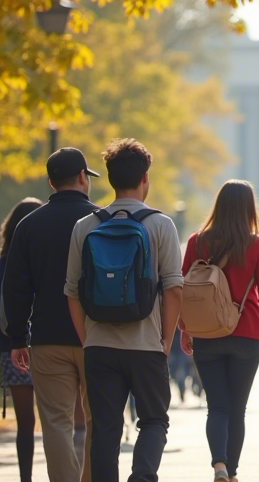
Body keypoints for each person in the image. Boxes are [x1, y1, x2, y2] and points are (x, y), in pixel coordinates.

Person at [65, 139, 184, 482]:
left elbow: (71, 292)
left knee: (103, 429)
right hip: (146, 345)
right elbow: (174, 289)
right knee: (154, 420)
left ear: (109, 178)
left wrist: (88, 338)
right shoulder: (161, 225)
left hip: (100, 345)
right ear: (145, 178)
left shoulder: (85, 226)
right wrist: (165, 341)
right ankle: (142, 477)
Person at [180, 180, 259, 482]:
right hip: (246, 333)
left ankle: (219, 466)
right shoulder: (258, 245)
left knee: (216, 406)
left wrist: (184, 329)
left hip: (206, 332)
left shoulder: (197, 241)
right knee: (237, 409)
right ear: (249, 208)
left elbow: (185, 289)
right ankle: (233, 472)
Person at [4, 148, 98, 482]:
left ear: (50, 181)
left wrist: (17, 338)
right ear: (84, 177)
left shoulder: (29, 225)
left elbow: (15, 287)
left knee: (56, 422)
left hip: (47, 339)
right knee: (97, 417)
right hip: (96, 336)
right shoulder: (102, 221)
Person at [0, 197, 42, 482]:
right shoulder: (47, 263)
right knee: (59, 418)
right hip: (48, 347)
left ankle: (25, 478)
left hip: (10, 351)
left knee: (25, 423)